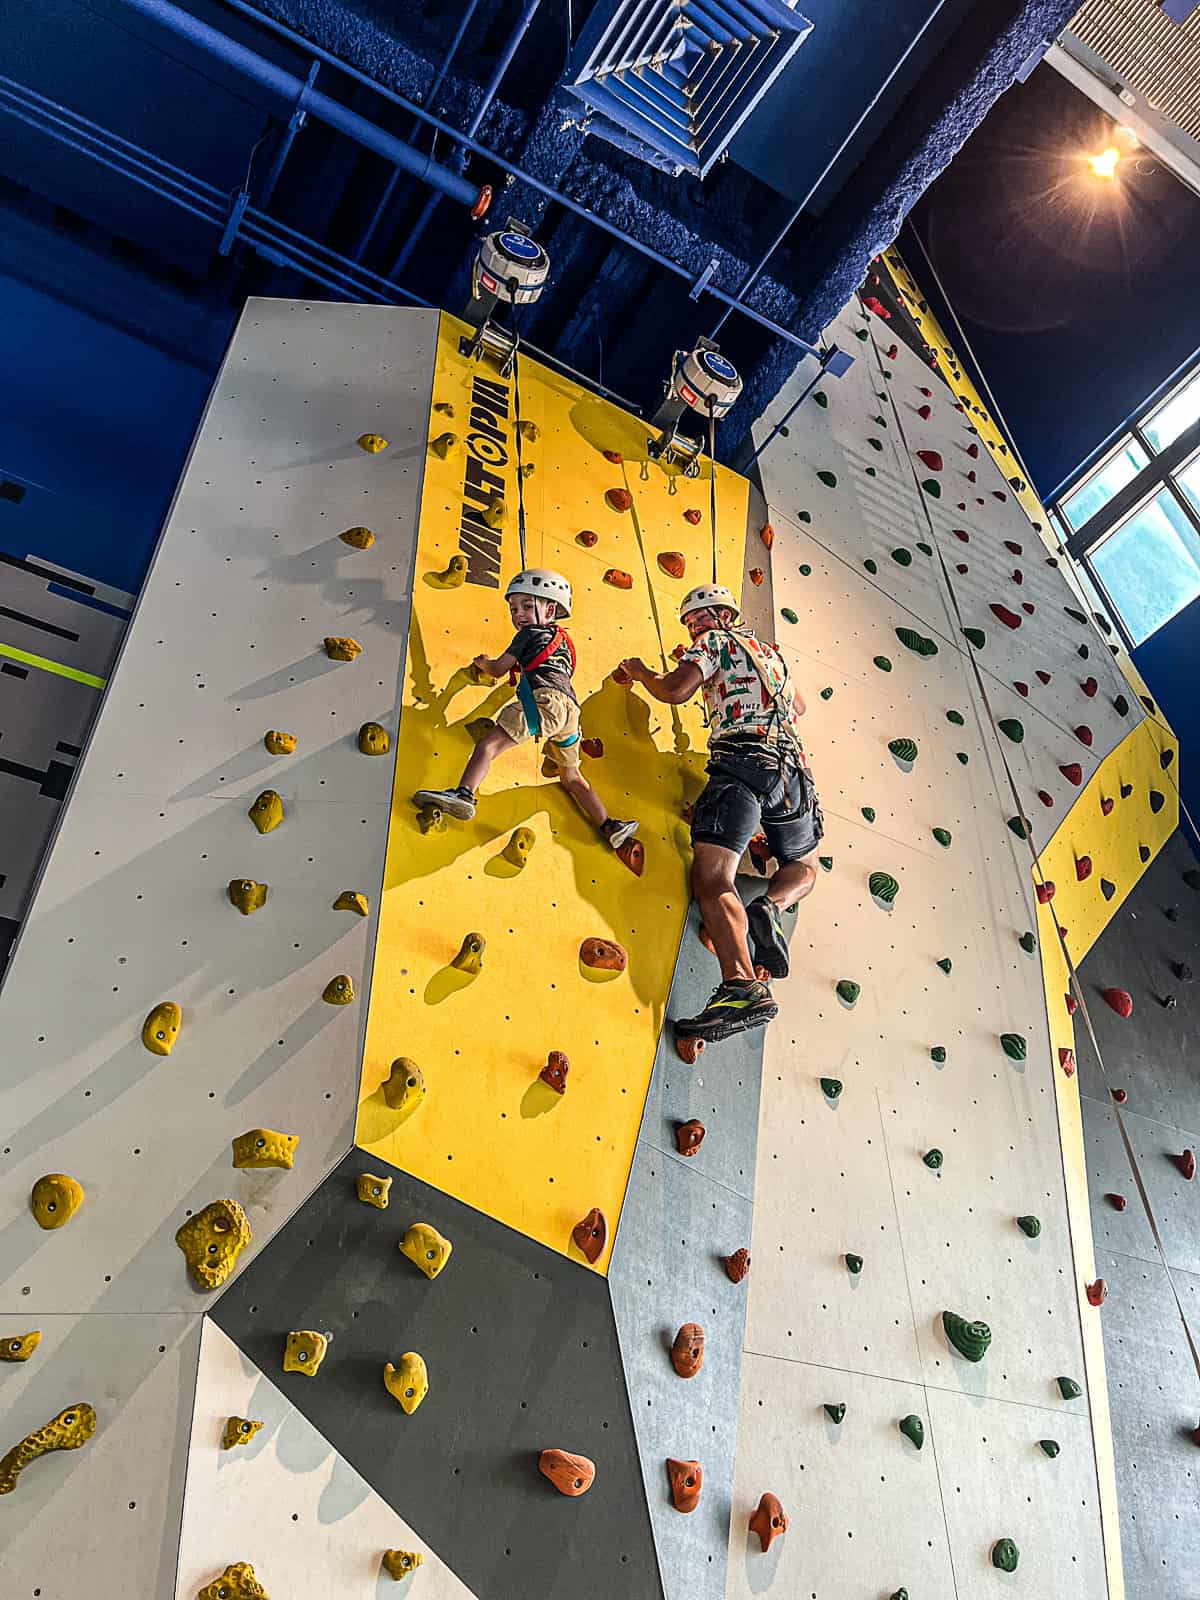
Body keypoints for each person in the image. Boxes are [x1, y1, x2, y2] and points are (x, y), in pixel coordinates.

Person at [619, 583, 822, 1042]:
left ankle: (740, 984)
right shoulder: (770, 653)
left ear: (713, 617)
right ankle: (771, 906)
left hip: (741, 763)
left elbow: (674, 691)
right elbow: (799, 706)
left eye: (694, 623)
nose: (692, 632)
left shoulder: (712, 642)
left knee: (713, 878)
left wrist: (643, 671)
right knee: (803, 865)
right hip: (792, 772)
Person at [414, 567, 639, 851]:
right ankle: (609, 826)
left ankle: (464, 793)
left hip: (546, 703)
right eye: (513, 608)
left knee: (489, 745)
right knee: (572, 777)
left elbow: (498, 670)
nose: (518, 614)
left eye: (528, 606)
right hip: (570, 713)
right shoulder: (565, 643)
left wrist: (483, 662)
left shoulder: (530, 633)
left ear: (551, 609)